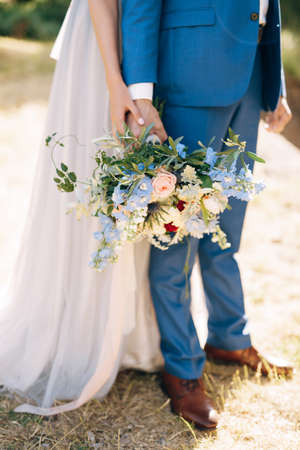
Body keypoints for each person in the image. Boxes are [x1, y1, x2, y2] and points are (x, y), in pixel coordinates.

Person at [121, 0, 293, 429]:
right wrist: (140, 95)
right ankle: (182, 366)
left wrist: (276, 84)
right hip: (191, 72)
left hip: (252, 70)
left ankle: (229, 339)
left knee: (228, 224)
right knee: (178, 229)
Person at [0, 0, 163, 416]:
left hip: (146, 41)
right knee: (98, 173)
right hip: (102, 45)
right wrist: (114, 80)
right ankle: (81, 332)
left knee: (142, 180)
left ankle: (133, 334)